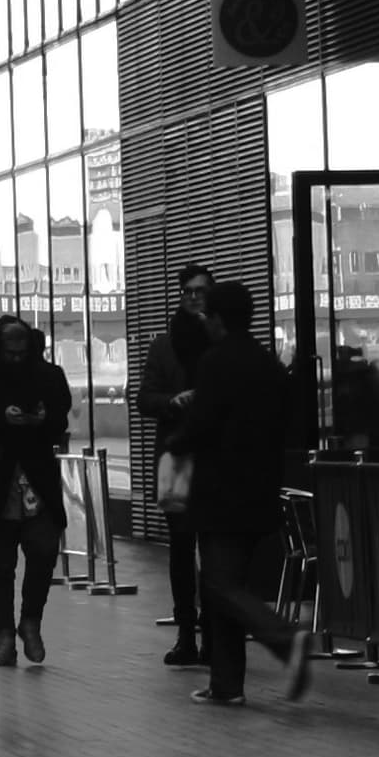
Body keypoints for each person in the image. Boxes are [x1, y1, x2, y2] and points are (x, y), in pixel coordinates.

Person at [170, 278, 310, 705]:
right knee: (230, 584)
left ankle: (285, 640)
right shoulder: (268, 364)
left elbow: (203, 423)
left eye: (208, 316)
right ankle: (226, 685)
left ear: (217, 319)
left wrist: (177, 443)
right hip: (260, 488)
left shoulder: (217, 362)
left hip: (221, 491)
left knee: (219, 585)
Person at [0, 313, 73, 668]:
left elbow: (62, 418)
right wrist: (0, 418)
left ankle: (30, 621)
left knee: (43, 552)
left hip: (37, 478)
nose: (15, 360)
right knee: (0, 563)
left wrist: (42, 419)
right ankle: (4, 632)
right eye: (8, 353)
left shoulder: (49, 376)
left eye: (22, 352)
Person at [139, 266, 215, 669]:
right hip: (177, 458)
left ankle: (215, 635)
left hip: (216, 456)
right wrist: (173, 401)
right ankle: (187, 633)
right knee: (182, 547)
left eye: (201, 291)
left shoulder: (222, 340)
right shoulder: (164, 346)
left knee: (216, 547)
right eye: (187, 291)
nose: (193, 298)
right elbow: (145, 397)